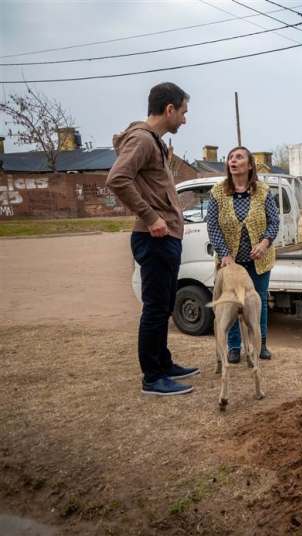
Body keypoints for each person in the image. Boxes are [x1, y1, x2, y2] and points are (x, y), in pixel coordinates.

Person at [107, 82, 199, 396]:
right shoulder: (142, 139)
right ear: (169, 109)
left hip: (164, 237)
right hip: (155, 237)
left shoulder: (154, 142)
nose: (185, 120)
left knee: (164, 305)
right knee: (156, 309)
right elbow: (117, 178)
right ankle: (152, 378)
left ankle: (163, 363)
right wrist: (151, 217)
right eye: (183, 112)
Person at [206, 146, 279, 364]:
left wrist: (265, 243)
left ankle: (260, 344)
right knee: (230, 302)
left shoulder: (263, 191)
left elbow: (274, 221)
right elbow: (213, 226)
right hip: (231, 263)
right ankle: (234, 347)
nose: (233, 161)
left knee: (259, 302)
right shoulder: (218, 192)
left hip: (260, 261)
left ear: (249, 165)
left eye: (239, 157)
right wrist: (225, 255)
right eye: (230, 157)